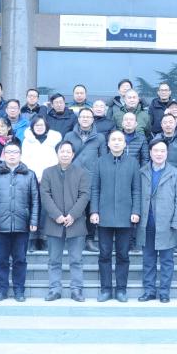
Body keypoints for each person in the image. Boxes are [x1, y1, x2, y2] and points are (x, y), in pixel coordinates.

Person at [0, 143, 39, 302]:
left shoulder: (30, 175)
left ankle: (19, 290)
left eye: (15, 152)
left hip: (22, 224)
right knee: (1, 260)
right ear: (3, 155)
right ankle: (1, 290)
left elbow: (35, 200)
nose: (12, 155)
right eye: (9, 152)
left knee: (20, 259)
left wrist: (34, 220)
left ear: (20, 154)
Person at [90, 130, 141, 302]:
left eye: (120, 140)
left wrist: (136, 211)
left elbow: (136, 190)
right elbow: (95, 189)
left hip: (126, 217)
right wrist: (94, 211)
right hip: (104, 216)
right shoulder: (100, 162)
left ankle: (121, 290)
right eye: (113, 139)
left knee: (123, 255)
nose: (117, 142)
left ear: (125, 144)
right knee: (104, 254)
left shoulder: (133, 163)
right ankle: (105, 289)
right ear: (108, 143)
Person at [40, 141, 91, 301]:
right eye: (62, 151)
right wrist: (56, 215)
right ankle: (55, 289)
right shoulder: (48, 172)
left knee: (76, 260)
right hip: (54, 223)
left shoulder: (82, 173)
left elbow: (85, 195)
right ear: (57, 153)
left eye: (68, 152)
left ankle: (76, 290)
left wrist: (73, 215)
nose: (65, 154)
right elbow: (45, 195)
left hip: (76, 222)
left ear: (73, 154)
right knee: (54, 260)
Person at [138, 139, 177, 303]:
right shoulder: (142, 172)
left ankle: (164, 292)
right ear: (150, 153)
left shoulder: (176, 173)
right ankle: (149, 290)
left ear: (167, 153)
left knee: (167, 260)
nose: (159, 154)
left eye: (162, 151)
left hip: (167, 224)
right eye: (156, 151)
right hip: (147, 223)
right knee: (148, 259)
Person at [65, 107, 107, 253]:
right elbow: (64, 155)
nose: (85, 119)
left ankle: (89, 239)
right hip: (72, 178)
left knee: (91, 209)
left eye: (88, 117)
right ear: (78, 119)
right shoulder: (69, 136)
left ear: (93, 119)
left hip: (92, 178)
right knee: (75, 208)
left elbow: (103, 159)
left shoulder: (100, 138)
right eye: (83, 116)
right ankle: (75, 239)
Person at [22, 115, 63, 251]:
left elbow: (57, 160)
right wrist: (34, 176)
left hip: (50, 179)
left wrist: (45, 176)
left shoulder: (54, 140)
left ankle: (44, 238)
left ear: (46, 127)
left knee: (46, 209)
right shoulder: (27, 141)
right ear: (32, 127)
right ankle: (32, 238)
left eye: (42, 125)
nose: (39, 128)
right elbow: (24, 160)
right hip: (31, 179)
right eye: (37, 125)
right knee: (32, 208)